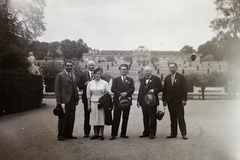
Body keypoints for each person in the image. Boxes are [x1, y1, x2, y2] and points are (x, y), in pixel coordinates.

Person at [162, 62, 188, 140]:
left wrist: (184, 99)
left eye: (173, 67)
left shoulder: (181, 77)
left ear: (176, 68)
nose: (172, 69)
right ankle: (173, 133)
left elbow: (184, 89)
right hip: (170, 101)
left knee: (180, 117)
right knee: (172, 118)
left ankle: (184, 134)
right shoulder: (167, 78)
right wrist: (164, 100)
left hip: (179, 101)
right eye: (170, 67)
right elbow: (165, 90)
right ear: (169, 68)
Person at [54, 60, 79, 141]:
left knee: (71, 117)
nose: (69, 67)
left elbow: (75, 88)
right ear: (64, 66)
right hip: (64, 100)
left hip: (72, 100)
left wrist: (77, 98)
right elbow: (57, 90)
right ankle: (61, 135)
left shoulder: (73, 75)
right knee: (63, 118)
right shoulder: (60, 75)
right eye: (67, 65)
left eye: (70, 66)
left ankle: (69, 133)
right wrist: (58, 102)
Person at [110, 64, 135, 140]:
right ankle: (113, 134)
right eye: (122, 69)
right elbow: (113, 89)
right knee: (116, 118)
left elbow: (132, 88)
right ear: (120, 70)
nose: (123, 71)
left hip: (126, 101)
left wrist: (126, 93)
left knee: (125, 118)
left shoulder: (130, 80)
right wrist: (120, 93)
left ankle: (123, 133)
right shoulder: (116, 79)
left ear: (127, 70)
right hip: (118, 101)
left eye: (125, 69)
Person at [137, 66, 163, 139]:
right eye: (145, 71)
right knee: (145, 117)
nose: (147, 72)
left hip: (152, 101)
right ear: (143, 72)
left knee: (152, 117)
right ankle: (146, 132)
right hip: (144, 101)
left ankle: (152, 133)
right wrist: (139, 101)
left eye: (148, 71)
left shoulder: (156, 79)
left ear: (151, 72)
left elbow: (161, 88)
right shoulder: (142, 80)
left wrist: (154, 90)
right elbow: (140, 91)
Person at [86, 67, 111, 140]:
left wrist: (106, 99)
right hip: (93, 102)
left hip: (102, 103)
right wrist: (88, 105)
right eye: (96, 74)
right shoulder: (90, 83)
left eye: (99, 74)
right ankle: (95, 134)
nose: (97, 75)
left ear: (101, 74)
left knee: (101, 118)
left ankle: (101, 134)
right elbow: (88, 95)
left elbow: (108, 92)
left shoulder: (105, 83)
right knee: (94, 118)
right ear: (93, 74)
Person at [78, 60, 95, 138]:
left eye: (92, 65)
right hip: (86, 98)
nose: (91, 67)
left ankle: (96, 132)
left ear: (94, 66)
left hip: (96, 98)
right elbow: (79, 86)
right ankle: (86, 132)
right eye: (90, 65)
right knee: (87, 115)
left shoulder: (98, 74)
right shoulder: (83, 75)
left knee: (96, 115)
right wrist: (85, 84)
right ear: (87, 66)